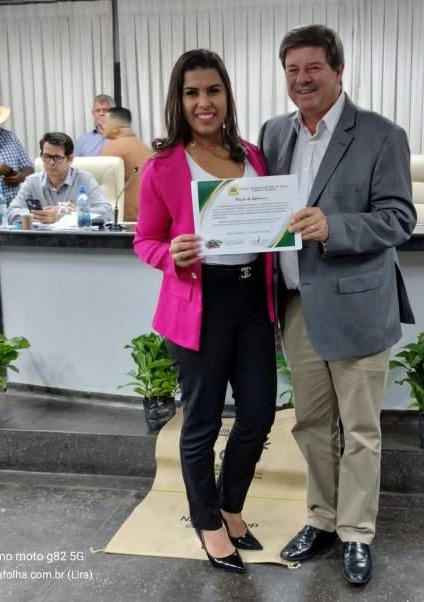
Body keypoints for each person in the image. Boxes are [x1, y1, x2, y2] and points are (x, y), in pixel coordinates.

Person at [258, 24, 416, 586]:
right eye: (292, 70)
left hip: (356, 305)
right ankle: (322, 518)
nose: (302, 80)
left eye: (313, 69)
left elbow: (400, 219)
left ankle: (356, 532)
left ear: (339, 70)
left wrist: (334, 226)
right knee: (311, 424)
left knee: (361, 429)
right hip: (296, 306)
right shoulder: (274, 134)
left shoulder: (379, 135)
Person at [133, 49, 276, 574]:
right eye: (192, 92)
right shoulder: (163, 166)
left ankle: (231, 503)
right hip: (198, 305)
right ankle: (208, 522)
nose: (203, 102)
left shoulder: (254, 156)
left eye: (212, 90)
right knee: (203, 421)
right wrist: (169, 255)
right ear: (180, 100)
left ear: (226, 95)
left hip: (251, 302)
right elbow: (145, 240)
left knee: (259, 414)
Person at [7, 132, 112, 225]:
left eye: (57, 158)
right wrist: (37, 216)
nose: (51, 162)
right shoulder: (32, 182)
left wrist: (65, 213)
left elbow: (107, 213)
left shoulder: (85, 179)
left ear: (70, 159)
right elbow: (11, 212)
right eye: (47, 157)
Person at [100, 107, 152, 221]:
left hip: (124, 217)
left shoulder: (114, 147)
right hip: (146, 214)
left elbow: (103, 188)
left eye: (105, 122)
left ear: (116, 129)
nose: (101, 125)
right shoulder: (144, 147)